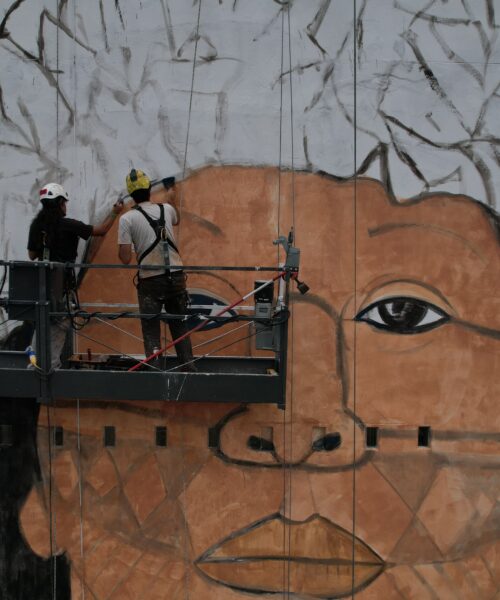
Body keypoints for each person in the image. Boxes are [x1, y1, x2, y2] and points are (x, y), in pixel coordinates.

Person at [27, 182, 124, 368]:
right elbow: (101, 231)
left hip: (41, 290)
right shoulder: (69, 225)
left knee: (41, 326)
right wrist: (115, 211)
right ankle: (48, 370)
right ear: (60, 203)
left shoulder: (36, 227)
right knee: (58, 327)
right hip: (62, 289)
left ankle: (35, 366)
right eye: (64, 202)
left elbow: (31, 255)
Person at [117, 169, 195, 371]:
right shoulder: (166, 209)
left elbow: (125, 258)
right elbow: (175, 215)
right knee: (179, 326)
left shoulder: (127, 219)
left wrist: (133, 241)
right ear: (150, 189)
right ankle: (189, 368)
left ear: (131, 194)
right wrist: (171, 191)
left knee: (151, 330)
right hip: (176, 278)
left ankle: (155, 373)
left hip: (150, 282)